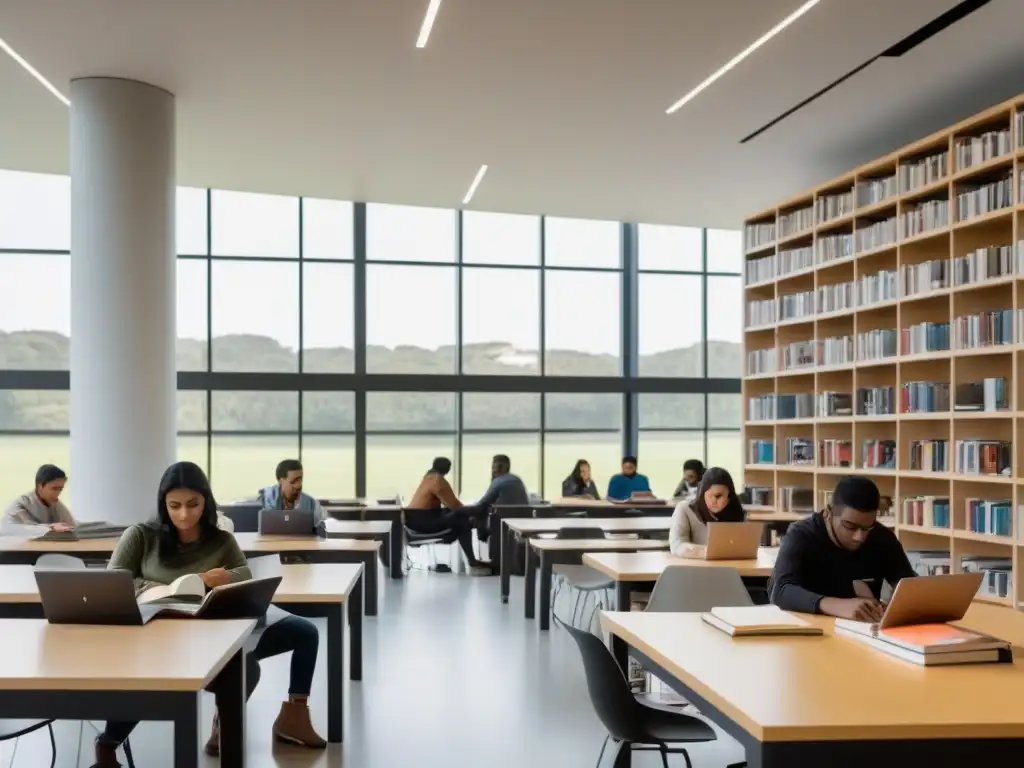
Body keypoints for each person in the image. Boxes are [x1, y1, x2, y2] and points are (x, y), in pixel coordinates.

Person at [92, 462, 326, 767]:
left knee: (295, 638)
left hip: (214, 629)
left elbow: (245, 572)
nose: (184, 515)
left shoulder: (221, 539)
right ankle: (108, 744)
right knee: (151, 684)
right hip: (158, 636)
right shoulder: (140, 535)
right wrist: (165, 587)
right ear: (163, 503)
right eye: (174, 506)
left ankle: (288, 719)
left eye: (193, 505)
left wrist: (227, 579)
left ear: (206, 500)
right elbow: (114, 583)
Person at [769, 476, 916, 621]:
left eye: (867, 527)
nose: (859, 536)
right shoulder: (801, 535)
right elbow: (781, 591)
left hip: (862, 633)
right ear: (828, 513)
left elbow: (908, 587)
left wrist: (897, 606)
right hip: (806, 631)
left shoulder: (882, 538)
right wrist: (839, 606)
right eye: (850, 526)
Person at [405, 458, 491, 576]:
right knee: (464, 521)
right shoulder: (437, 480)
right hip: (422, 521)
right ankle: (473, 563)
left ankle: (473, 561)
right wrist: (472, 514)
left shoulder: (428, 477)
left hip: (415, 519)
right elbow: (454, 505)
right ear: (447, 468)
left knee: (462, 517)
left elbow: (450, 506)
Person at [669, 467, 745, 558]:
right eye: (709, 495)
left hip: (728, 568)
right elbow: (677, 546)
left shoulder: (736, 512)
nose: (713, 501)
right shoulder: (684, 509)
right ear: (702, 494)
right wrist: (711, 552)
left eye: (718, 496)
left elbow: (744, 548)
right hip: (694, 569)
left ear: (729, 497)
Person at [2, 464, 75, 532]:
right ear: (40, 486)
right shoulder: (20, 505)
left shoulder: (55, 504)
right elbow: (23, 530)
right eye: (54, 488)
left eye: (60, 489)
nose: (58, 493)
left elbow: (72, 526)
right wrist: (51, 527)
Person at [260, 459, 325, 526]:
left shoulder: (312, 504)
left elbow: (320, 529)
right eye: (293, 481)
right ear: (280, 481)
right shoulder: (266, 501)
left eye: (300, 480)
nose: (298, 485)